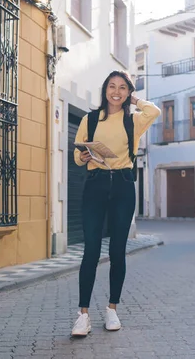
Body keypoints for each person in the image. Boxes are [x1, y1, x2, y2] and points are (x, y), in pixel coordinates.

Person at [71, 70, 161, 336]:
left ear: (128, 93)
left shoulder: (133, 121)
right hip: (95, 184)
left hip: (122, 185)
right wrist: (85, 157)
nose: (117, 92)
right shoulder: (90, 119)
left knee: (118, 251)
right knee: (91, 251)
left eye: (123, 88)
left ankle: (112, 310)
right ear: (105, 89)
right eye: (112, 86)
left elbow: (154, 111)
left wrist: (135, 100)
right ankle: (82, 315)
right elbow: (78, 154)